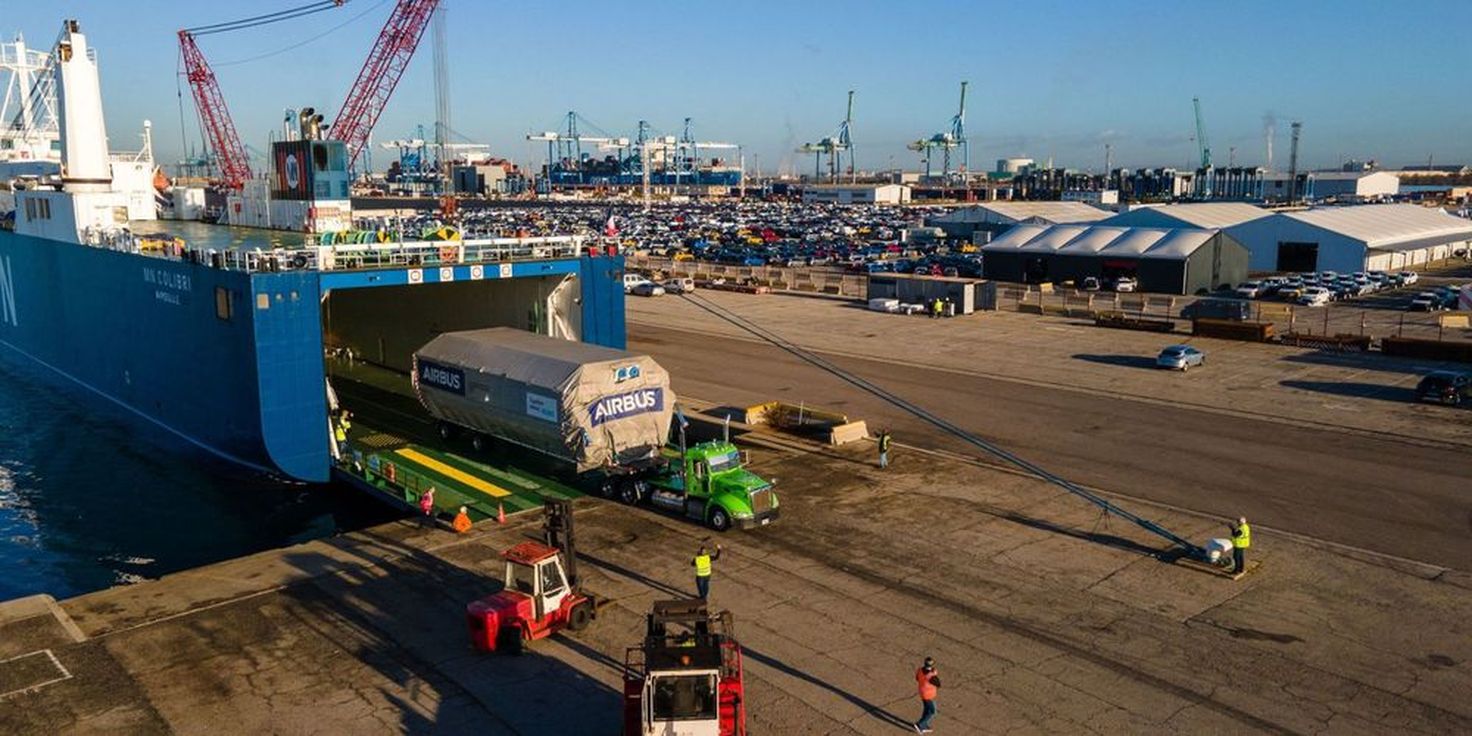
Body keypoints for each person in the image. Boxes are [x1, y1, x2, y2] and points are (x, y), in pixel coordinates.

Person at [914, 656, 941, 733]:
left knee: (926, 709)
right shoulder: (931, 675)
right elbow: (938, 684)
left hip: (922, 693)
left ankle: (924, 725)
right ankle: (920, 724)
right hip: (929, 695)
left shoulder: (920, 670)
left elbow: (917, 678)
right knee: (933, 711)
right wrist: (934, 673)